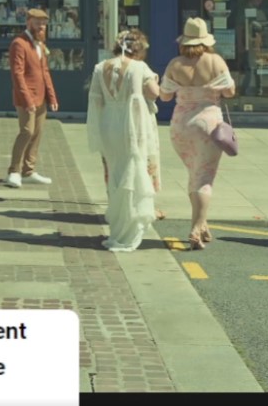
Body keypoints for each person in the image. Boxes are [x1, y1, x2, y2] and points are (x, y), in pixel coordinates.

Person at [159, 18, 235, 249]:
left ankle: (201, 224)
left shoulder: (175, 64)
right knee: (204, 177)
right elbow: (230, 91)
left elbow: (164, 96)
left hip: (181, 125)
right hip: (208, 124)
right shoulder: (215, 61)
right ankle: (196, 227)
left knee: (195, 174)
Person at [86, 30, 163, 252]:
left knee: (116, 171)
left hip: (110, 123)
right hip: (133, 125)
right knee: (134, 170)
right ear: (137, 49)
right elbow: (153, 93)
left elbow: (96, 99)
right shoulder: (140, 68)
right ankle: (129, 230)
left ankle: (117, 227)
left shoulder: (101, 68)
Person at [5, 8, 59, 188]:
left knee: (37, 133)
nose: (41, 26)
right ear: (28, 22)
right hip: (26, 98)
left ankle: (28, 171)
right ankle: (14, 171)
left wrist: (51, 96)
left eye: (44, 23)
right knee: (26, 131)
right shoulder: (19, 44)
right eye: (37, 23)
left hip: (41, 97)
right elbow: (17, 74)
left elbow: (45, 72)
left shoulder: (41, 45)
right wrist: (27, 100)